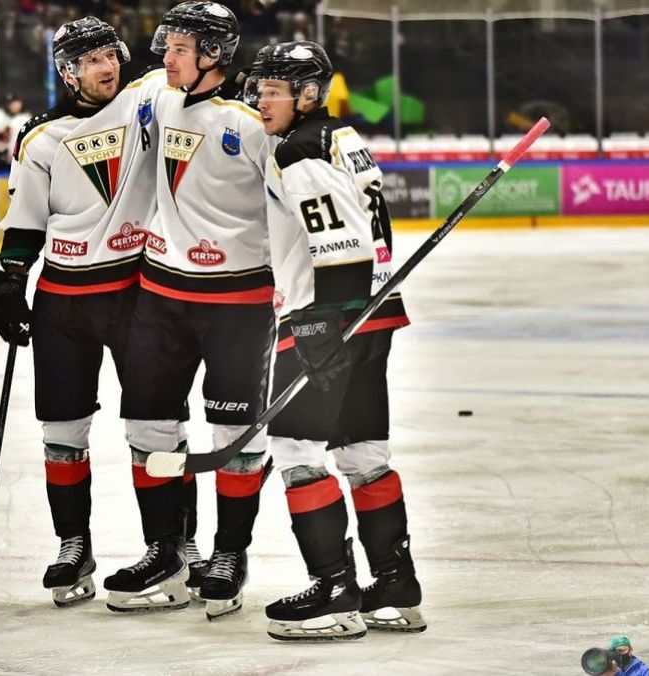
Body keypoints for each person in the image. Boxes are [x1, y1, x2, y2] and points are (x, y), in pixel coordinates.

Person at [243, 40, 419, 641]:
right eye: (259, 88)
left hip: (328, 316)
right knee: (363, 454)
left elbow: (340, 242)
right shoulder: (341, 136)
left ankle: (334, 593)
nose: (260, 100)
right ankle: (394, 584)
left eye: (273, 90)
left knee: (296, 453)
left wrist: (320, 328)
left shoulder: (299, 149)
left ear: (308, 94)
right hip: (375, 313)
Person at [0, 16, 164, 610]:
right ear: (67, 72)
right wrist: (11, 283)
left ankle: (172, 545)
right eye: (88, 59)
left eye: (109, 54)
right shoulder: (40, 137)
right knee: (62, 434)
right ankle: (74, 544)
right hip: (64, 299)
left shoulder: (149, 100)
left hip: (139, 292)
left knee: (155, 428)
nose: (104, 65)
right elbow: (26, 219)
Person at [114, 1, 277, 620]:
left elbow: (290, 208)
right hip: (160, 295)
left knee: (234, 436)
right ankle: (167, 552)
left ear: (214, 55)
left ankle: (229, 554)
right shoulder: (156, 93)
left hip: (238, 302)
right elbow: (96, 109)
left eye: (180, 48)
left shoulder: (253, 123)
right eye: (167, 45)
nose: (166, 57)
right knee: (147, 428)